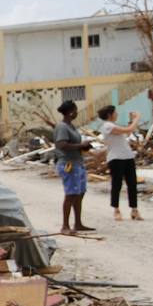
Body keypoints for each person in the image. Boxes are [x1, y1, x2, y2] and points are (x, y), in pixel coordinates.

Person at [53, 99, 95, 235]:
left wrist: (84, 146)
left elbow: (72, 144)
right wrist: (80, 145)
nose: (77, 113)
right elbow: (61, 144)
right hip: (68, 164)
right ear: (71, 112)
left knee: (79, 193)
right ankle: (65, 226)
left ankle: (78, 223)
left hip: (77, 163)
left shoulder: (71, 126)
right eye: (76, 110)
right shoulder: (62, 127)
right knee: (70, 194)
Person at [98, 105, 143, 221]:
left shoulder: (114, 125)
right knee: (117, 184)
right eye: (115, 112)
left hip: (127, 156)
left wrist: (131, 121)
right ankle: (116, 209)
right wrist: (137, 118)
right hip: (116, 158)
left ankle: (134, 209)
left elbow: (126, 133)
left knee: (132, 184)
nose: (117, 114)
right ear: (109, 115)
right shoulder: (107, 126)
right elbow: (128, 130)